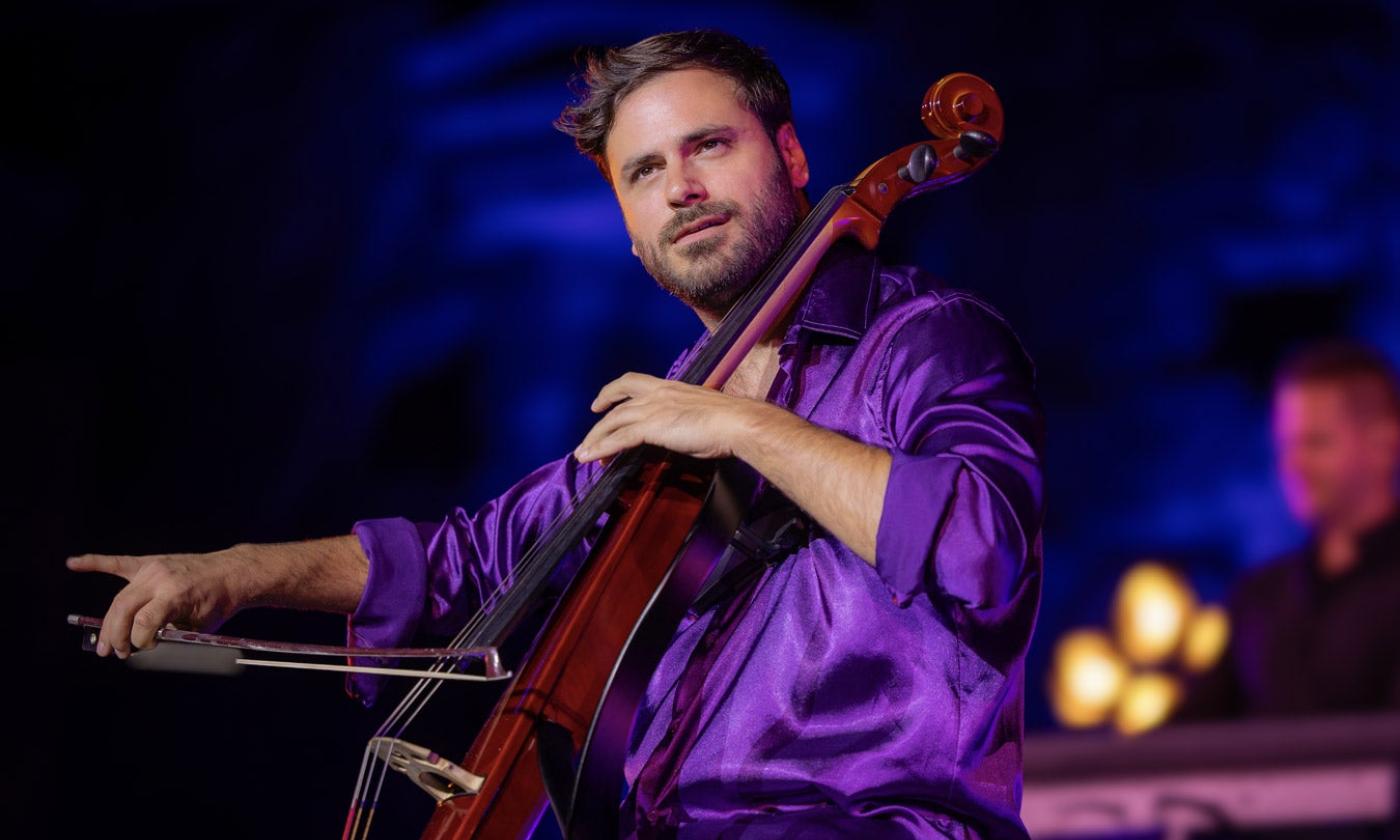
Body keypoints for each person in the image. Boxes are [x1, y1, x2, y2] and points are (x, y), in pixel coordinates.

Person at [68, 30, 1044, 838]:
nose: (680, 187)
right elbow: (470, 558)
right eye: (645, 170)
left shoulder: (924, 337)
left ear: (788, 156)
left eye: (710, 145)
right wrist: (236, 571)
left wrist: (742, 425)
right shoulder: (667, 416)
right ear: (626, 224)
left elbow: (979, 549)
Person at [1178, 340, 1400, 719]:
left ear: (1383, 443)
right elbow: (1187, 736)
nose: (1294, 465)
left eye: (1316, 443)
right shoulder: (1261, 598)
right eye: (1286, 444)